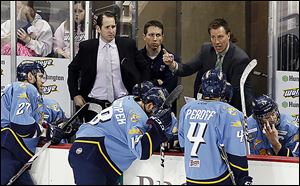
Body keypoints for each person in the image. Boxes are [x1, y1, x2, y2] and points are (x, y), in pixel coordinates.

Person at [68, 87, 175, 185]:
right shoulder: (136, 116)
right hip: (93, 154)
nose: (156, 116)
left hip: (94, 154)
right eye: (156, 112)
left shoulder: (128, 100)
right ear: (149, 106)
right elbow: (142, 151)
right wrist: (158, 125)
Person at [67, 11, 150, 122]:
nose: (111, 31)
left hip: (124, 103)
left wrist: (140, 92)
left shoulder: (128, 45)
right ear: (98, 29)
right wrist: (75, 95)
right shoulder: (87, 47)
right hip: (95, 105)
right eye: (107, 27)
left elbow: (144, 67)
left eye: (113, 26)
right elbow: (72, 70)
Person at [163, 18, 253, 116]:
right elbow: (186, 69)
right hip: (207, 105)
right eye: (213, 37)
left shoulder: (240, 58)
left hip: (232, 108)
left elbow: (235, 92)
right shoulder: (206, 50)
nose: (216, 42)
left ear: (228, 35)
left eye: (220, 37)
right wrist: (172, 64)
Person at [178, 69, 252, 185]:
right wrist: (242, 177)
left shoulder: (186, 109)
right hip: (217, 178)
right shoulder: (229, 112)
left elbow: (183, 145)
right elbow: (235, 152)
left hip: (192, 176)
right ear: (223, 88)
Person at [1, 61, 64, 185]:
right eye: (40, 76)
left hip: (14, 155)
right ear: (30, 76)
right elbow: (22, 127)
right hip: (6, 152)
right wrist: (47, 132)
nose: (43, 81)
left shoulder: (25, 95)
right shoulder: (25, 88)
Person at [139, 20, 180, 113]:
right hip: (141, 111)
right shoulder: (137, 57)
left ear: (162, 37)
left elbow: (169, 88)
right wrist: (157, 82)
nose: (154, 39)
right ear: (144, 37)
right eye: (151, 35)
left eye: (158, 35)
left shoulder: (172, 59)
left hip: (165, 111)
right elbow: (136, 86)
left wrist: (147, 85)